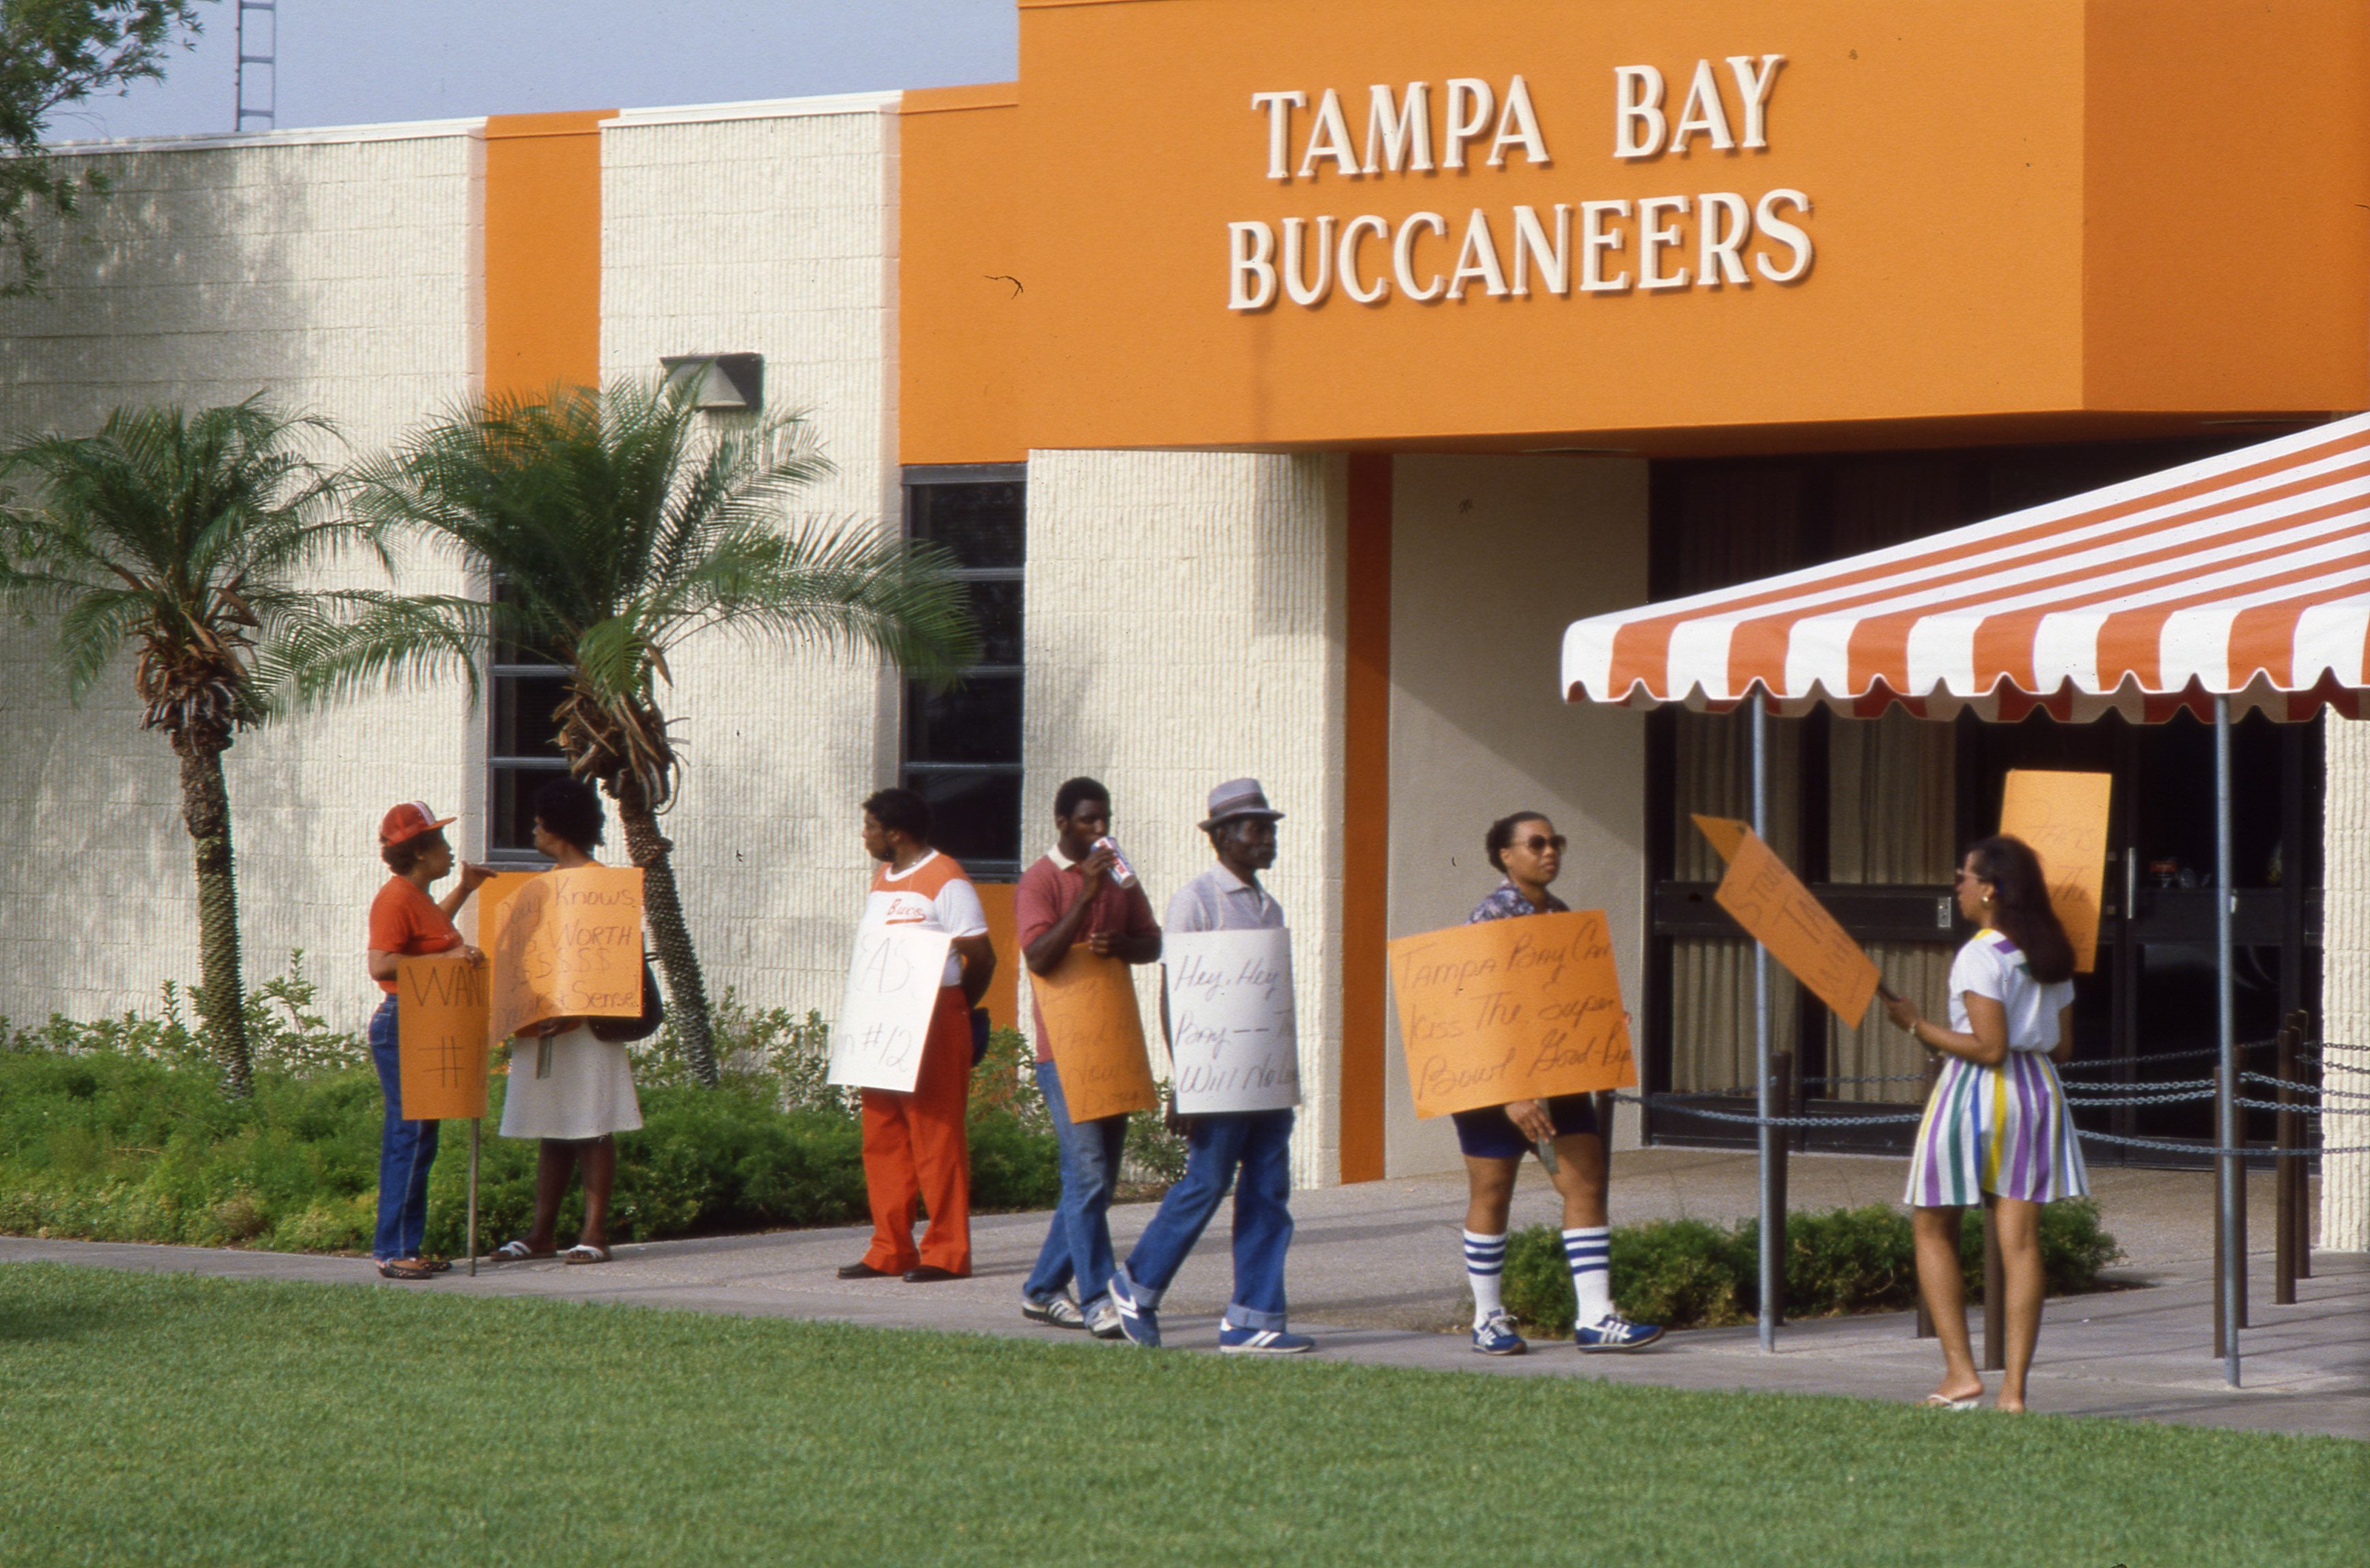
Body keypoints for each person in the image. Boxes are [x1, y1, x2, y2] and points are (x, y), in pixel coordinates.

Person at [1109, 778, 1313, 1354]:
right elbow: (1179, 994)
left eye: (1270, 828)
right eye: (1256, 829)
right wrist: (1187, 1084)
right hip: (1219, 1080)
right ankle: (1136, 1285)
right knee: (1205, 1184)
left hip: (1265, 1080)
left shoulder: (1268, 905)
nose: (1268, 839)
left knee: (1269, 1192)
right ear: (1222, 837)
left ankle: (1253, 1318)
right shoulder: (1195, 900)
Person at [1884, 834, 2087, 1412]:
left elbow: (1989, 1048)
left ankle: (1960, 1374)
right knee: (2021, 1245)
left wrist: (1915, 1025)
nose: (1959, 889)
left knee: (1932, 1225)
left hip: (1976, 1094)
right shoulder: (2051, 951)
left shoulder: (1979, 953)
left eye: (1964, 879)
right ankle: (2014, 1393)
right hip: (2039, 1093)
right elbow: (2064, 1047)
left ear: (1990, 888)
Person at [1453, 811, 1664, 1355]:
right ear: (1506, 855)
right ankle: (1487, 1319)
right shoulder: (1491, 917)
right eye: (1537, 843)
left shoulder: (1564, 915)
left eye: (1556, 842)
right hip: (1496, 1087)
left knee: (1585, 1182)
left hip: (1560, 1077)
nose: (1551, 852)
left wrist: (1601, 1025)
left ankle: (1596, 1316)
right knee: (1492, 1192)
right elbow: (1477, 1012)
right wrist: (1511, 1096)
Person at [1016, 776, 1162, 1338]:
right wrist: (1083, 899)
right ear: (1062, 823)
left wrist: (1123, 945)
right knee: (1089, 1172)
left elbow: (1154, 942)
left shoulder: (1120, 874)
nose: (1100, 830)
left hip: (1113, 1041)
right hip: (1065, 1049)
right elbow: (1040, 957)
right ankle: (1099, 1295)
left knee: (1094, 1180)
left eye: (1105, 819)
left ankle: (1042, 1289)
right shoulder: (1039, 881)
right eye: (1087, 821)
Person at [837, 787, 996, 1283]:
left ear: (896, 833)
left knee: (936, 1134)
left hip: (935, 1016)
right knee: (882, 1133)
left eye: (870, 828)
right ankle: (891, 1247)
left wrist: (958, 1009)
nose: (864, 836)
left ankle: (947, 1251)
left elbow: (982, 956)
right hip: (883, 1021)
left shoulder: (946, 879)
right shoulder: (884, 878)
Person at [492, 778, 648, 1265]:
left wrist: (580, 1008)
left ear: (556, 830)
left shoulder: (606, 887)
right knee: (552, 1124)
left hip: (590, 1027)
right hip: (545, 1025)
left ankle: (595, 1232)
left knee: (593, 1124)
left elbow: (617, 960)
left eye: (539, 824)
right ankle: (542, 1232)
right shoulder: (535, 888)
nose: (534, 833)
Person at [365, 802, 491, 1280]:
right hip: (402, 1024)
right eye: (438, 841)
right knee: (410, 1135)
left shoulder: (415, 896)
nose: (447, 848)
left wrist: (464, 888)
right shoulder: (395, 898)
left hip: (421, 1022)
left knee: (420, 1136)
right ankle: (394, 1249)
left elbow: (430, 936)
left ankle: (406, 1243)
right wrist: (451, 960)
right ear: (419, 852)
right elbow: (381, 964)